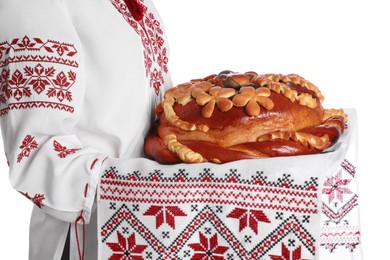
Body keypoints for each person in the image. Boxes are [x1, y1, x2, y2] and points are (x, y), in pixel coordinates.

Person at [0, 0, 172, 259]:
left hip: (156, 231)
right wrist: (154, 186)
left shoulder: (141, 6)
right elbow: (34, 153)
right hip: (86, 238)